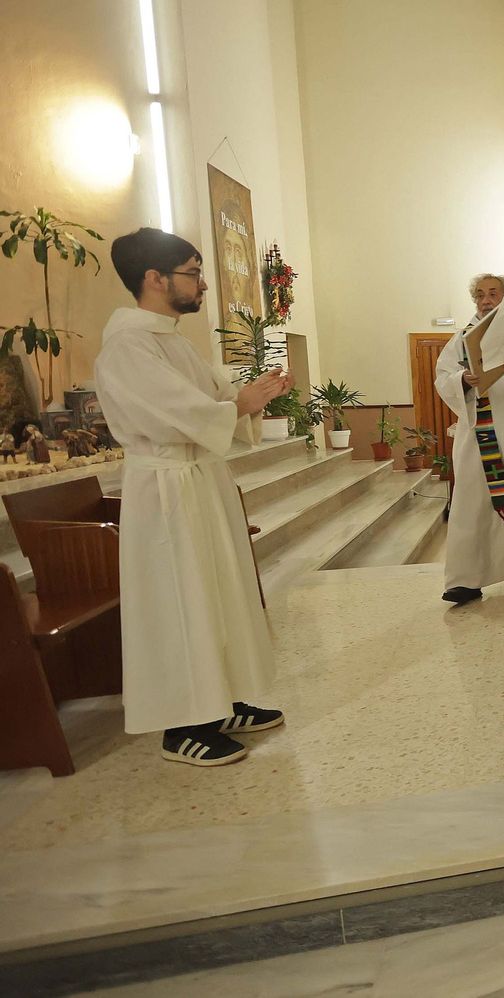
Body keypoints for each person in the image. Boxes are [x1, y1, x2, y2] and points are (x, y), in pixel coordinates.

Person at [95, 227, 290, 767]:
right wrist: (238, 404)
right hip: (166, 491)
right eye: (193, 272)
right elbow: (179, 414)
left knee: (215, 593)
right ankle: (180, 724)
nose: (202, 283)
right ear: (155, 279)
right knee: (179, 599)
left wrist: (252, 396)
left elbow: (210, 397)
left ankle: (218, 701)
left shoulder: (171, 340)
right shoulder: (128, 347)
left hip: (198, 483)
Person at [434, 273, 504, 605]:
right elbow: (443, 377)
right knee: (471, 504)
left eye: (493, 293)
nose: (485, 299)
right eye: (479, 294)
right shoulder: (462, 339)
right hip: (480, 436)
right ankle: (465, 579)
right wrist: (463, 377)